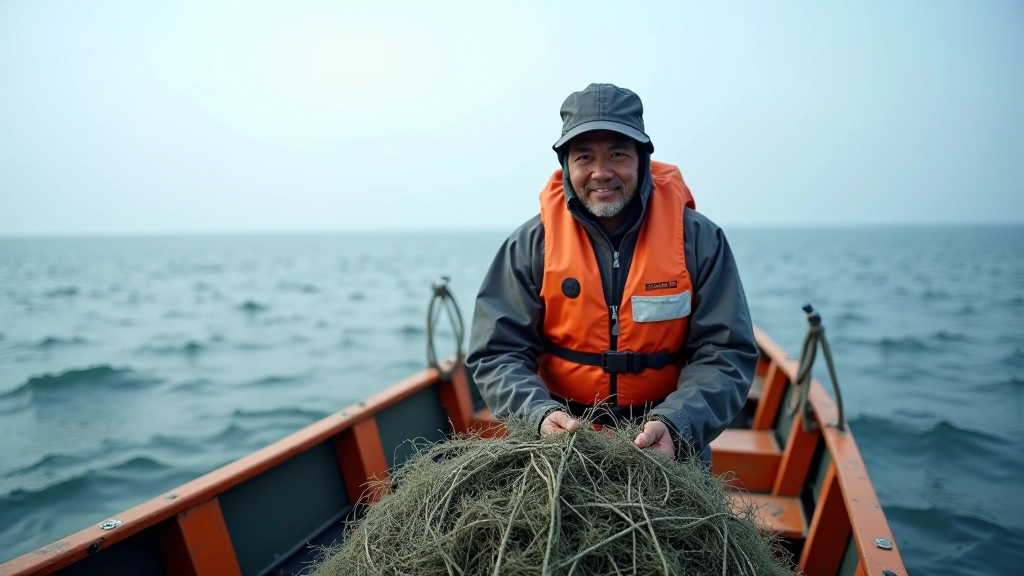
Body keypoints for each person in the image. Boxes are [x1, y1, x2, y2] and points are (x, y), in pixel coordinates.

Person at [466, 83, 758, 465]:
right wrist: (537, 416)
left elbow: (726, 352)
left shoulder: (699, 240)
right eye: (584, 157)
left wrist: (677, 425)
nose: (601, 173)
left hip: (670, 449)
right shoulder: (531, 244)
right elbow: (497, 352)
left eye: (617, 154)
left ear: (642, 159)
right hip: (560, 447)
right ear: (567, 166)